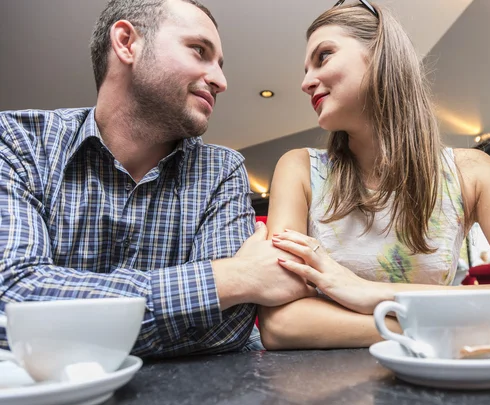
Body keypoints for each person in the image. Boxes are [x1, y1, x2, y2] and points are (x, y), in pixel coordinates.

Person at [258, 0, 490, 349]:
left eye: (323, 56)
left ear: (381, 55)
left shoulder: (472, 172)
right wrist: (430, 326)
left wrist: (368, 293)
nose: (306, 82)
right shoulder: (299, 169)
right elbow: (281, 324)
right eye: (305, 68)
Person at [0, 0, 316, 357]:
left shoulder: (221, 170)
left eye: (220, 64)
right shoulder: (17, 141)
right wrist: (233, 279)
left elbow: (228, 329)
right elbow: (10, 297)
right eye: (199, 51)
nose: (221, 81)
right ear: (126, 42)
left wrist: (53, 328)